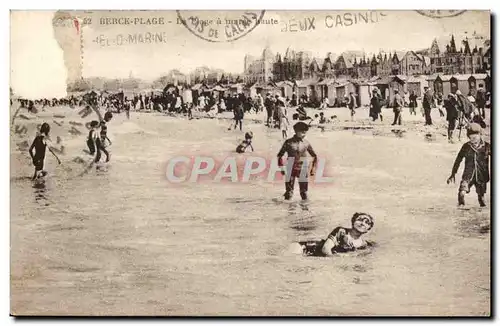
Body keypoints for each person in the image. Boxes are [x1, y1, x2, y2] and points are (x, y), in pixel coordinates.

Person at [447, 123, 490, 207]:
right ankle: (461, 207)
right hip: (468, 175)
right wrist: (453, 173)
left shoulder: (487, 146)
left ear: (480, 135)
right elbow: (458, 160)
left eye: (475, 137)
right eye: (471, 138)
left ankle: (481, 214)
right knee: (461, 192)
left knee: (481, 199)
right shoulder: (466, 146)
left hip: (481, 176)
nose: (473, 139)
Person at [277, 122, 318, 201]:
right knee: (289, 193)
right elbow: (280, 155)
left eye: (305, 132)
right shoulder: (288, 142)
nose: (304, 134)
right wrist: (282, 168)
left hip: (302, 168)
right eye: (302, 132)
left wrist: (313, 168)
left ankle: (305, 212)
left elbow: (314, 156)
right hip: (290, 167)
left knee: (304, 193)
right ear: (296, 131)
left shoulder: (306, 143)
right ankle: (289, 212)